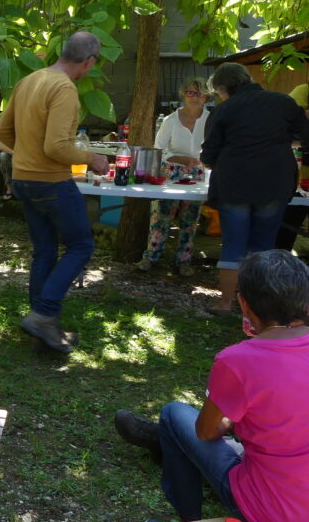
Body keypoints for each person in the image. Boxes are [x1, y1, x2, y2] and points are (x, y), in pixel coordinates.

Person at [114, 250, 309, 522]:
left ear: (243, 304)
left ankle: (188, 514)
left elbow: (206, 432)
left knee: (173, 413)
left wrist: (233, 424)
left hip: (267, 507)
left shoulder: (238, 360)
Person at [0, 31, 109, 353]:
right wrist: (92, 158)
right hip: (51, 182)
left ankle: (41, 325)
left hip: (23, 179)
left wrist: (28, 154)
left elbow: (2, 131)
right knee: (80, 246)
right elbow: (57, 146)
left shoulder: (30, 80)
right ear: (88, 62)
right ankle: (44, 313)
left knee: (44, 250)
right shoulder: (64, 88)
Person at [201, 63, 309, 316]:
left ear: (223, 88)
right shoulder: (282, 102)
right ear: (248, 78)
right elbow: (305, 135)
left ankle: (225, 303)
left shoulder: (224, 109)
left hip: (234, 183)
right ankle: (259, 310)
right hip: (275, 181)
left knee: (234, 244)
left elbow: (208, 155)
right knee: (263, 244)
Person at [136, 77, 210, 277]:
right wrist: (180, 158)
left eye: (199, 93)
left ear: (206, 96)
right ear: (183, 94)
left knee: (190, 220)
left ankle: (183, 261)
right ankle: (150, 257)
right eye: (190, 92)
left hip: (199, 174)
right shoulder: (171, 120)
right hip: (171, 172)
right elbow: (158, 149)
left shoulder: (211, 119)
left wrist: (202, 161)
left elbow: (216, 147)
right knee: (160, 216)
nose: (194, 97)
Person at [275, 83, 309, 252]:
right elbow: (293, 117)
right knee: (287, 228)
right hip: (300, 178)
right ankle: (277, 268)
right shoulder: (304, 90)